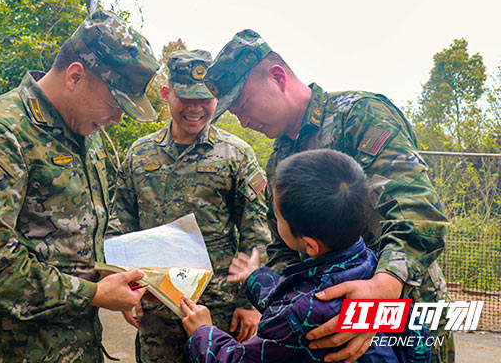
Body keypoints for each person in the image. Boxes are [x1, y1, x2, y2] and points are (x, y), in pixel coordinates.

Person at [202, 29, 453, 363]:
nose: (244, 120)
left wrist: (384, 290)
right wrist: (291, 310)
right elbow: (282, 247)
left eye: (243, 104)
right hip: (328, 328)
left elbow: (418, 211)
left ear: (277, 77)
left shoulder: (360, 116)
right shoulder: (280, 159)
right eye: (234, 113)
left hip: (405, 320)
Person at [0, 9, 160, 362]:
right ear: (75, 76)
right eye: (115, 102)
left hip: (81, 347)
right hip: (13, 352)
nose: (118, 118)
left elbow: (85, 234)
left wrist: (119, 283)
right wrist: (93, 294)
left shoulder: (89, 137)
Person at [182, 149, 432, 362]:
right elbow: (289, 295)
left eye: (278, 217)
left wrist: (204, 333)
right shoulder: (372, 266)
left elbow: (240, 358)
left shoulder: (299, 316)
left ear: (310, 245)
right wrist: (253, 276)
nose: (276, 221)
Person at [107, 49, 272, 363]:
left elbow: (257, 233)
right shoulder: (139, 154)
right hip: (155, 307)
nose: (196, 108)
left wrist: (252, 304)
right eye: (186, 98)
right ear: (167, 94)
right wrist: (127, 288)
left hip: (219, 310)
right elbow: (121, 226)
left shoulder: (236, 154)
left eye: (206, 99)